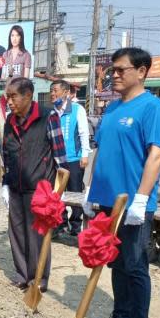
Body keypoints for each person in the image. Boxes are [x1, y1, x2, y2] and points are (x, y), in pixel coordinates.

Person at [84, 47, 160, 318]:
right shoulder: (113, 109)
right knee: (115, 263)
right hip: (108, 203)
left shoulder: (152, 108)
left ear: (142, 71)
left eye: (121, 70)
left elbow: (156, 156)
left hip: (133, 205)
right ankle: (120, 317)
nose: (114, 75)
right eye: (112, 70)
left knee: (134, 265)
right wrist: (89, 191)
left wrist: (142, 199)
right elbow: (99, 151)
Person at [1, 77, 66, 290]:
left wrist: (59, 190)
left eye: (14, 97)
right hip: (16, 186)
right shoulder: (10, 121)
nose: (9, 102)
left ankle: (39, 278)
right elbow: (6, 153)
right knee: (17, 232)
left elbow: (60, 156)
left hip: (41, 188)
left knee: (37, 235)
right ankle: (22, 274)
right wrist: (4, 182)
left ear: (28, 95)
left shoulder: (48, 118)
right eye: (7, 97)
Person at [50, 79, 90, 236]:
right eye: (51, 91)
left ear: (66, 93)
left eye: (55, 90)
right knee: (57, 193)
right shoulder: (51, 111)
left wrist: (85, 155)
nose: (52, 94)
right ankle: (60, 223)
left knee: (75, 191)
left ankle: (75, 224)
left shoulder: (77, 109)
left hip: (73, 158)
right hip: (56, 160)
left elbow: (83, 133)